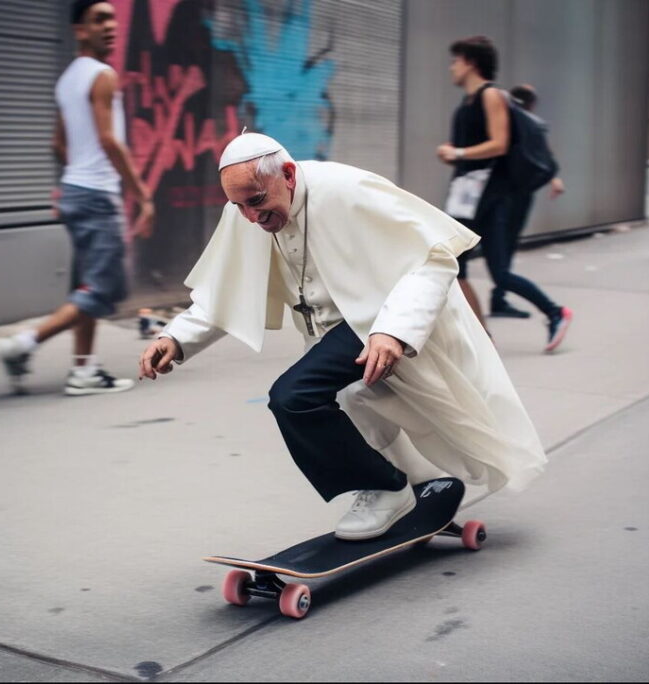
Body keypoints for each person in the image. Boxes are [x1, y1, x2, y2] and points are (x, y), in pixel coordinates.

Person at [140, 133, 547, 540]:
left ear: (287, 174)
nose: (250, 218)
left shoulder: (347, 190)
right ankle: (415, 480)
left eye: (257, 202)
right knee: (354, 400)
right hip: (331, 330)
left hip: (379, 318)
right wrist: (176, 338)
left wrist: (393, 331)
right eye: (238, 206)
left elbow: (434, 259)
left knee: (294, 397)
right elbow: (227, 289)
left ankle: (385, 490)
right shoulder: (250, 205)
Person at [0, 0, 154, 395]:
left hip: (77, 192)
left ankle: (83, 369)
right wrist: (142, 194)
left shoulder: (67, 79)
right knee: (105, 289)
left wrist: (71, 182)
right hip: (98, 195)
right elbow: (108, 140)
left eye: (112, 18)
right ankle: (23, 344)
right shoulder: (103, 75)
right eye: (99, 20)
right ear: (79, 30)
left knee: (87, 286)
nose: (111, 26)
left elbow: (57, 142)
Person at [436, 36, 572, 352]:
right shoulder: (466, 103)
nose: (451, 67)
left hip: (492, 197)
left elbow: (499, 143)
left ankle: (556, 313)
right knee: (455, 267)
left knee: (498, 274)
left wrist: (456, 153)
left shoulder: (491, 96)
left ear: (470, 62)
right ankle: (483, 340)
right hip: (468, 196)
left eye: (455, 60)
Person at [489, 84, 566, 318]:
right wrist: (553, 178)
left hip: (497, 190)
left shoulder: (505, 116)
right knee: (506, 248)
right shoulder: (533, 123)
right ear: (532, 103)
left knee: (496, 249)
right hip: (519, 194)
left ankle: (498, 299)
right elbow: (545, 157)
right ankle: (501, 298)